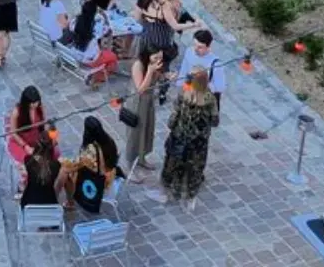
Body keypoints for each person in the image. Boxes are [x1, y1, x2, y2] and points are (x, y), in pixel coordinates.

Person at [161, 66, 219, 205]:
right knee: (195, 164)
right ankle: (191, 188)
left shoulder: (184, 95)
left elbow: (174, 117)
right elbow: (215, 121)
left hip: (180, 136)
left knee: (176, 161)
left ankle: (171, 185)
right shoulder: (210, 99)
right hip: (199, 140)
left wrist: (172, 126)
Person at [56, 116, 120, 210]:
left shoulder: (91, 150)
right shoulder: (108, 140)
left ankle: (69, 203)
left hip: (100, 182)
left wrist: (61, 162)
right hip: (110, 173)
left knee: (65, 173)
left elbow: (76, 165)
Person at [123, 46, 165, 177]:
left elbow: (156, 81)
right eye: (155, 57)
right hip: (137, 103)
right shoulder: (138, 65)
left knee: (147, 130)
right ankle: (129, 165)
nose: (158, 60)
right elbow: (140, 89)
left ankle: (141, 158)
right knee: (135, 134)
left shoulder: (154, 64)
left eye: (160, 57)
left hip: (149, 102)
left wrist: (164, 75)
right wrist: (150, 71)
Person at [62, 2, 120, 86]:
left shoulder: (75, 21)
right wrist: (104, 16)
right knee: (113, 58)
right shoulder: (96, 24)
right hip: (91, 59)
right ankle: (97, 78)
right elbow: (108, 30)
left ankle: (96, 74)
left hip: (77, 55)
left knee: (103, 52)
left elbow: (70, 27)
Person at [5, 85, 57, 172]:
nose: (35, 105)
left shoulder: (40, 107)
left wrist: (48, 137)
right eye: (32, 103)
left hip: (37, 139)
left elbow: (44, 123)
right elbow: (13, 132)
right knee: (30, 164)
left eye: (36, 102)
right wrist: (25, 146)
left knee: (50, 155)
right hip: (21, 141)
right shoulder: (17, 112)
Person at [177, 28, 227, 112]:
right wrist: (180, 88)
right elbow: (183, 71)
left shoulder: (216, 64)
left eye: (200, 47)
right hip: (189, 97)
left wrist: (201, 85)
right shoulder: (189, 51)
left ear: (208, 47)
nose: (195, 49)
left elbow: (220, 87)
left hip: (204, 102)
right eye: (194, 45)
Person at [19, 139, 61, 209]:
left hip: (28, 203)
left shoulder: (28, 160)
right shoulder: (56, 165)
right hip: (50, 204)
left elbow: (35, 158)